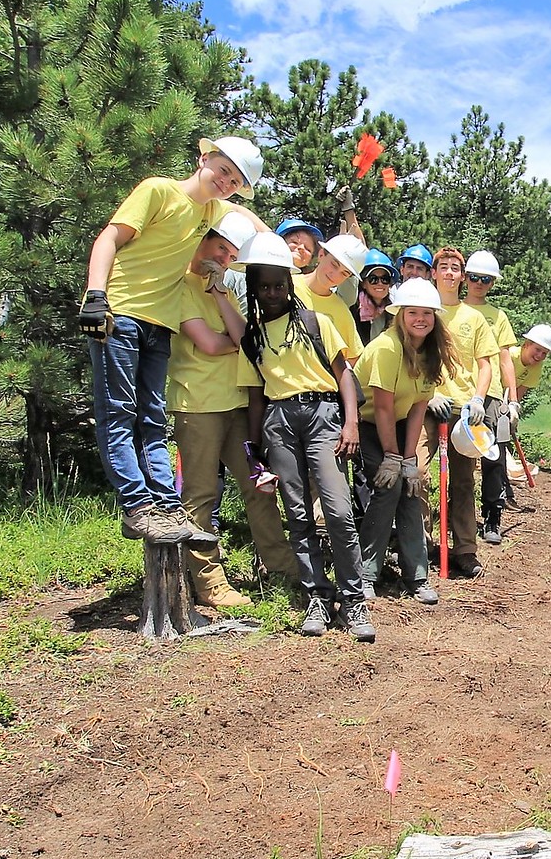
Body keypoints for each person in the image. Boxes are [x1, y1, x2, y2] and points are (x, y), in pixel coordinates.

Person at [78, 135, 266, 544]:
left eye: (235, 180)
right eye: (223, 170)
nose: (226, 182)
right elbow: (108, 239)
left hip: (158, 326)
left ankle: (164, 504)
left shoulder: (213, 209)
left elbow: (254, 224)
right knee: (119, 411)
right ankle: (136, 504)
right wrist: (96, 295)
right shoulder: (157, 190)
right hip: (121, 314)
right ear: (204, 157)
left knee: (151, 416)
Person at [238, 233, 374, 642]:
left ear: (289, 282)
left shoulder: (318, 321)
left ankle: (354, 601)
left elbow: (344, 374)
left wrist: (350, 423)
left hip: (322, 415)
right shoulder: (254, 335)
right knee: (296, 513)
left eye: (280, 284)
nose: (274, 292)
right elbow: (256, 394)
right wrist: (253, 452)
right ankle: (317, 594)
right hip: (279, 421)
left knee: (337, 509)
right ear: (255, 290)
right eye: (264, 286)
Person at [168, 209, 297, 609]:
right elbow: (210, 344)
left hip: (237, 404)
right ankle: (209, 583)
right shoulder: (179, 287)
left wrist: (221, 294)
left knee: (259, 487)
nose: (223, 258)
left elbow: (243, 338)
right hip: (198, 406)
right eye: (220, 248)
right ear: (201, 240)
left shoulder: (218, 287)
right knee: (201, 495)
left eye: (230, 254)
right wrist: (231, 338)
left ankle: (280, 566)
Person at [354, 278, 459, 605]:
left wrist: (410, 459)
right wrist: (391, 456)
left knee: (412, 488)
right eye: (412, 312)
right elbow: (382, 406)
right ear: (400, 315)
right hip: (367, 423)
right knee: (389, 488)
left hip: (399, 422)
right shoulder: (387, 347)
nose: (420, 319)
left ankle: (416, 576)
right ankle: (365, 574)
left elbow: (417, 407)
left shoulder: (430, 351)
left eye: (427, 313)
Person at [425, 246, 499, 579]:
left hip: (462, 411)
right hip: (426, 407)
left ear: (463, 275)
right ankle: (422, 546)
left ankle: (465, 549)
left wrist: (478, 399)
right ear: (434, 272)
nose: (450, 273)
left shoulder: (474, 318)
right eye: (445, 267)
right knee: (420, 476)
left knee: (463, 482)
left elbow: (485, 364)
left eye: (456, 268)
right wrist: (426, 396)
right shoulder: (424, 310)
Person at [461, 250, 518, 545]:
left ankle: (492, 518)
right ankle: (461, 519)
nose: (479, 283)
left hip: (493, 395)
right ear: (464, 278)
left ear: (492, 283)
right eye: (474, 277)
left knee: (493, 459)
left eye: (485, 279)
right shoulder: (452, 310)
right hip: (461, 391)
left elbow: (506, 359)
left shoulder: (498, 317)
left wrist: (512, 400)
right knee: (460, 463)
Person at [502, 323, 551, 511]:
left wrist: (512, 410)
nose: (540, 356)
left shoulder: (536, 368)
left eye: (545, 353)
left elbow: (520, 391)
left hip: (507, 402)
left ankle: (505, 490)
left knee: (501, 441)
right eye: (537, 350)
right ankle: (504, 487)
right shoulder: (510, 355)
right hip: (490, 397)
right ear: (527, 343)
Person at [295, 234, 368, 366]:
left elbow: (353, 361)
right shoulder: (286, 287)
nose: (335, 275)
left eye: (344, 273)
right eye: (334, 264)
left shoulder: (342, 313)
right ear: (321, 255)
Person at [353, 248, 397, 344]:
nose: (380, 283)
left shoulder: (394, 312)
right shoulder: (353, 310)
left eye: (385, 279)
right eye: (373, 279)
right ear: (363, 284)